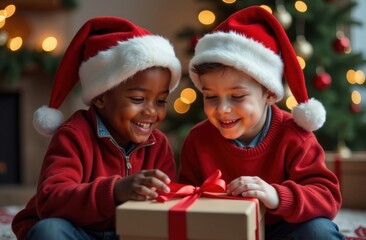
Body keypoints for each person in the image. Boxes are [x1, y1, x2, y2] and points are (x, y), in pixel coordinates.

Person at [178, 6, 344, 240]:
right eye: (211, 97)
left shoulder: (295, 136)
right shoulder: (198, 140)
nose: (222, 109)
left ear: (269, 94)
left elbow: (327, 197)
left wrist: (277, 196)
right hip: (225, 230)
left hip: (285, 228)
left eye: (237, 96)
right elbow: (185, 199)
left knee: (319, 231)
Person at [12, 16, 181, 240]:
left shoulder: (158, 145)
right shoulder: (74, 135)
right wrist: (114, 191)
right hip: (79, 231)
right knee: (49, 231)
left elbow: (166, 206)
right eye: (138, 99)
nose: (152, 111)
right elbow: (50, 199)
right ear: (100, 98)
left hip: (128, 233)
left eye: (160, 101)